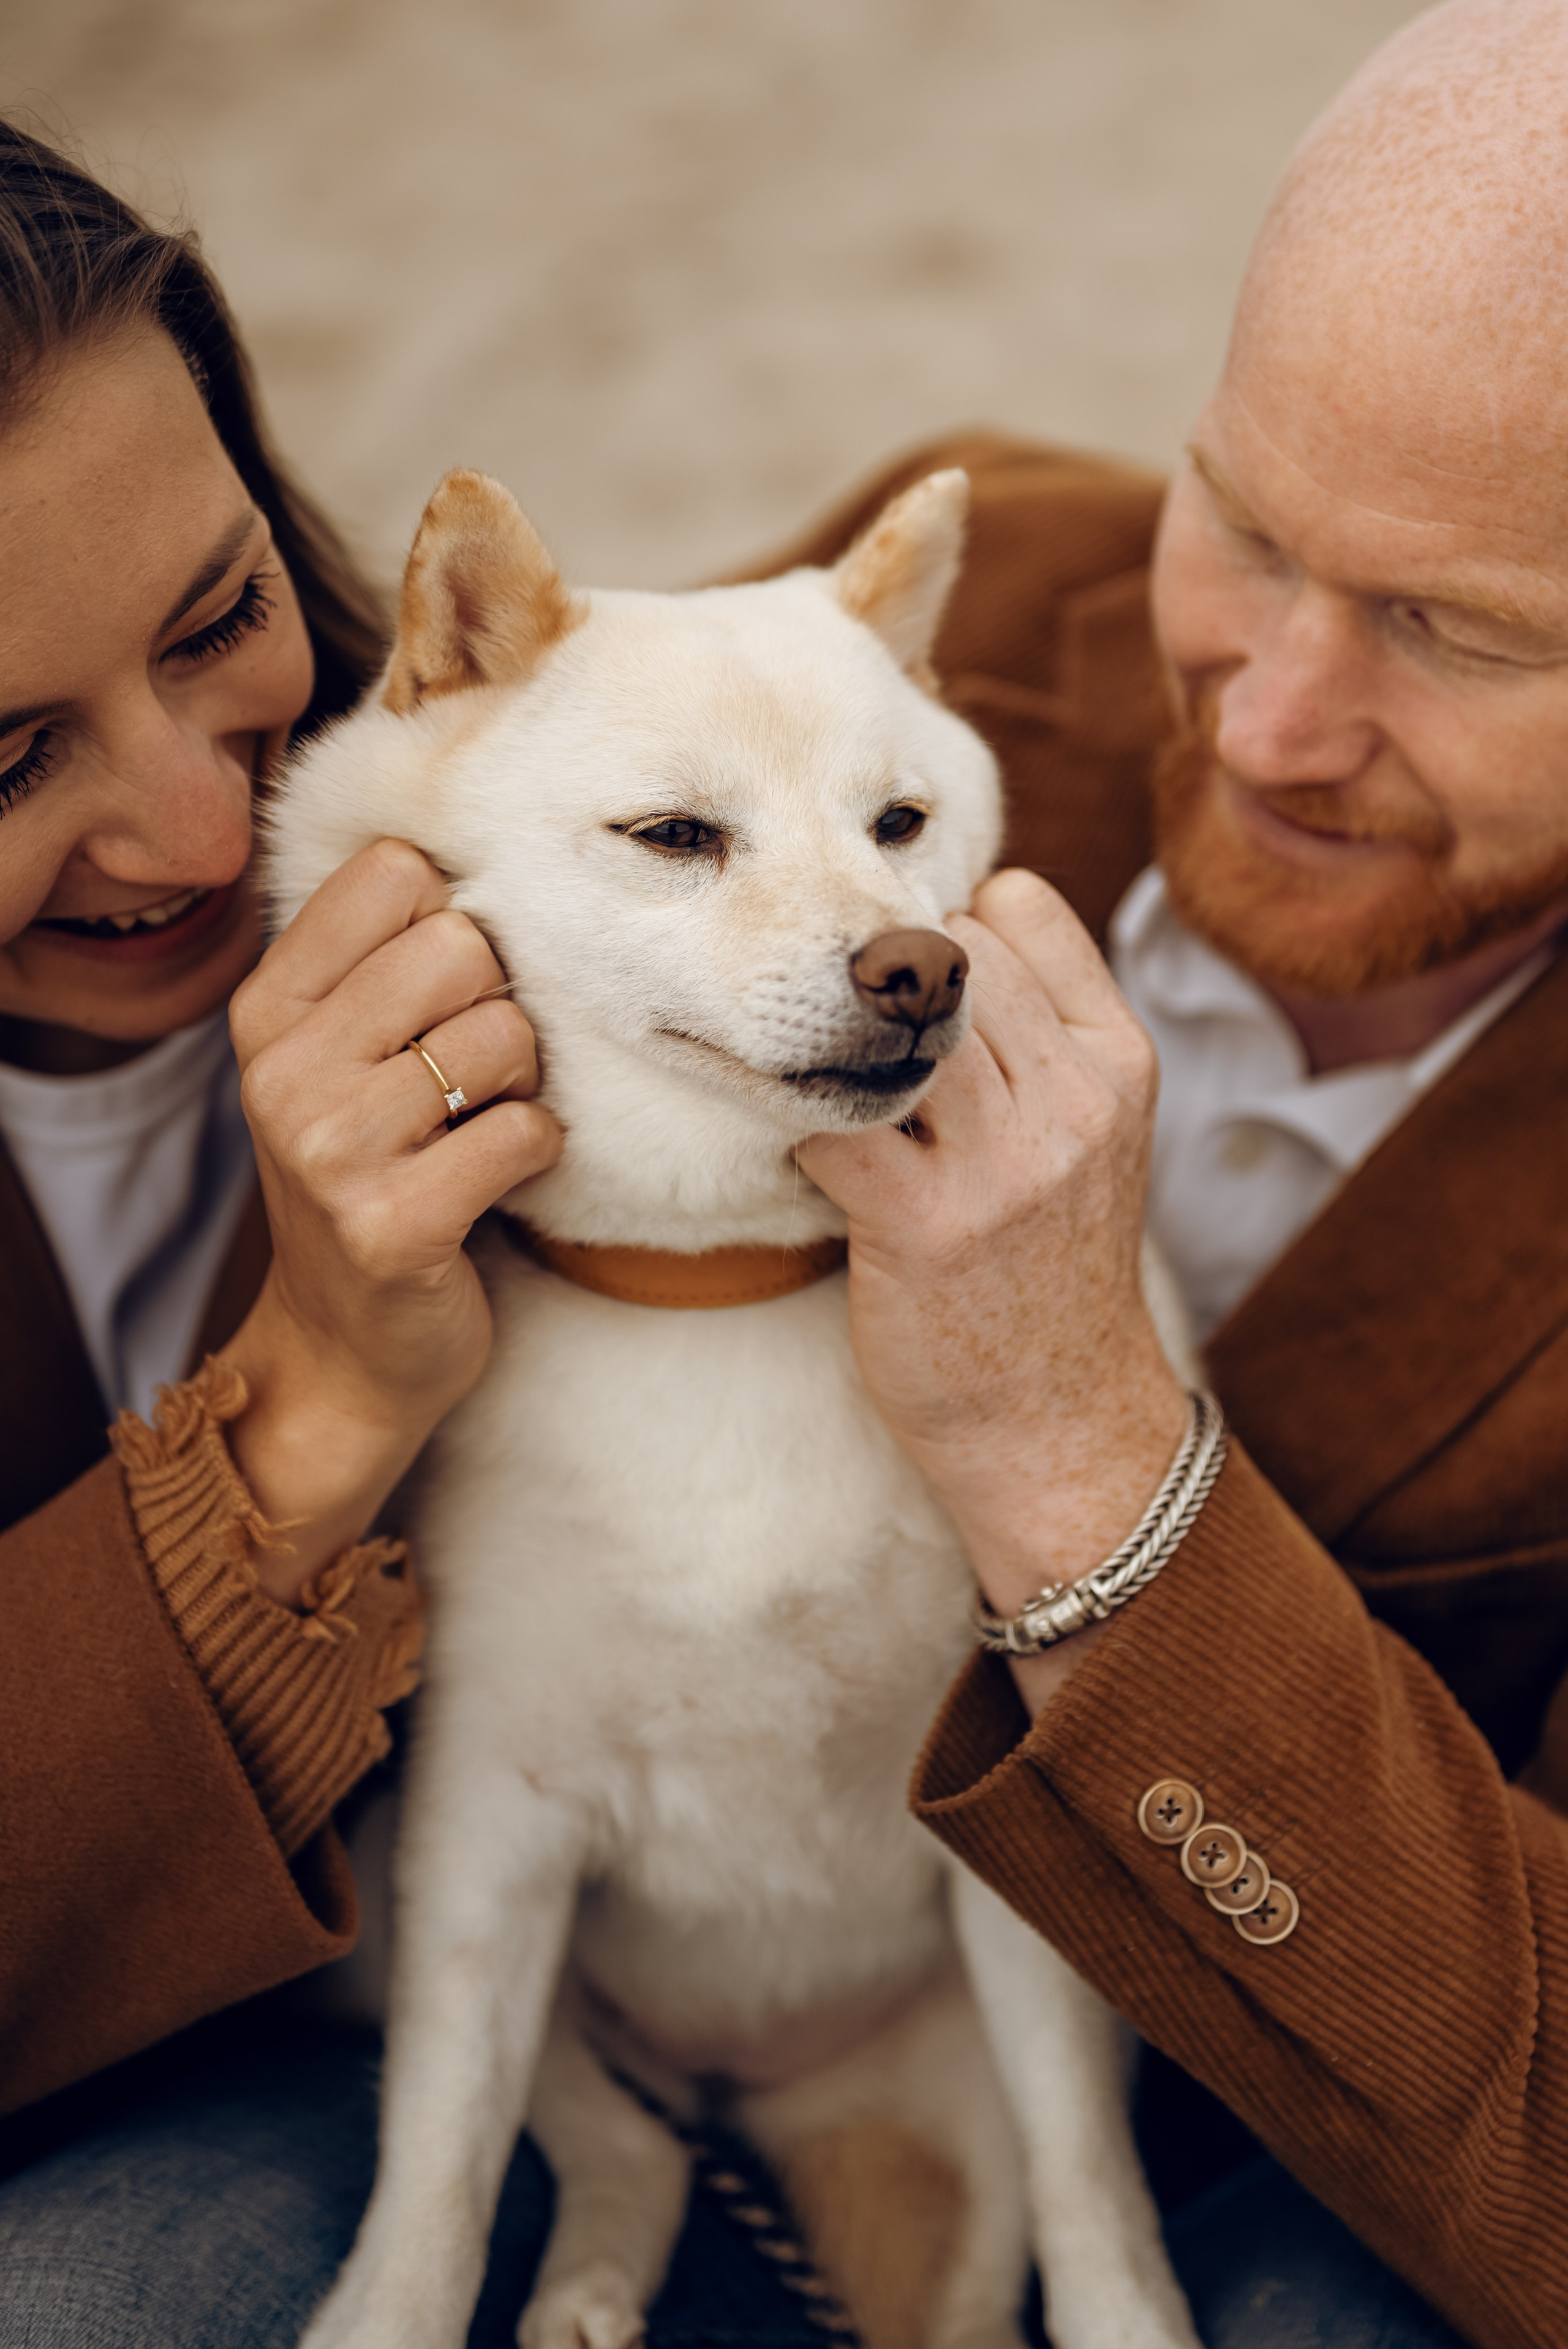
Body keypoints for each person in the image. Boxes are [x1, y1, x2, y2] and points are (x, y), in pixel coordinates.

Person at [0, 0, 1553, 2334]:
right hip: (425, 2022)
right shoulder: (942, 621)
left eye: (1454, 629)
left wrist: (1077, 1451)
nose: (1262, 717)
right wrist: (307, 1414)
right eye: (1231, 510)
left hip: (1261, 2090)